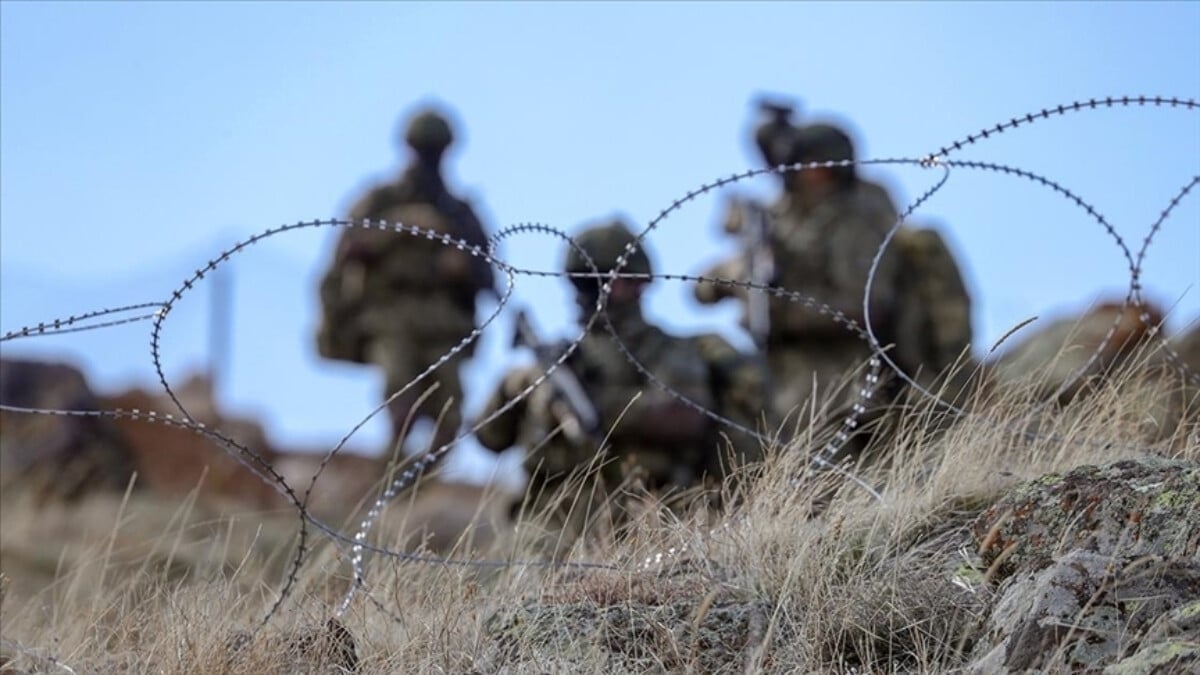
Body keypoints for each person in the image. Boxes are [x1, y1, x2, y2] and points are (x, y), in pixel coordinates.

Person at [473, 219, 765, 546]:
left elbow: (685, 416)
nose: (591, 293)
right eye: (583, 282)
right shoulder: (548, 368)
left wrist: (600, 409)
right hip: (554, 533)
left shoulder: (679, 352)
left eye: (604, 280)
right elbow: (488, 437)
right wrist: (520, 389)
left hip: (659, 525)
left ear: (639, 283)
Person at [695, 120, 907, 462]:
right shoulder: (781, 216)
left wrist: (785, 311)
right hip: (789, 387)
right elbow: (702, 288)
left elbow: (866, 305)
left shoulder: (856, 217)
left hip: (847, 378)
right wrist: (736, 275)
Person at [316, 105, 496, 454]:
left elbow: (487, 277)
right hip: (389, 316)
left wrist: (461, 268)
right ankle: (391, 481)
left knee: (448, 414)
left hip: (443, 325)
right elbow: (343, 257)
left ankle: (418, 488)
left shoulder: (458, 213)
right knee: (402, 402)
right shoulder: (379, 202)